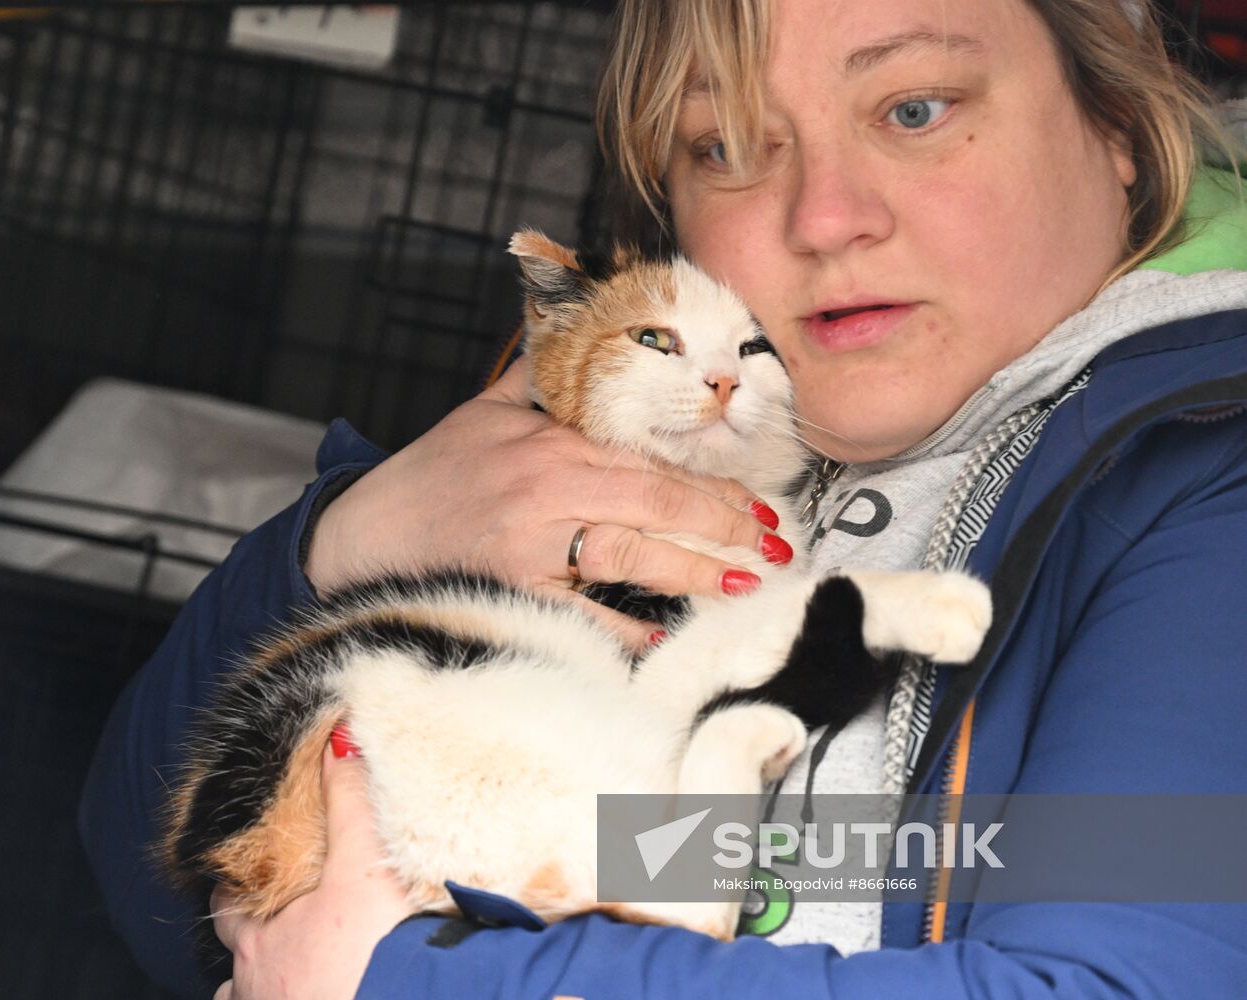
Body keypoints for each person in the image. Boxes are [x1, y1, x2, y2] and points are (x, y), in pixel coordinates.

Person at [79, 0, 1247, 996]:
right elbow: (157, 889)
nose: (824, 216)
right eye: (724, 144)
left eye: (913, 108)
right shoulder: (617, 420)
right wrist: (349, 539)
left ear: (1117, 128)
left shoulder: (1204, 474)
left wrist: (407, 970)